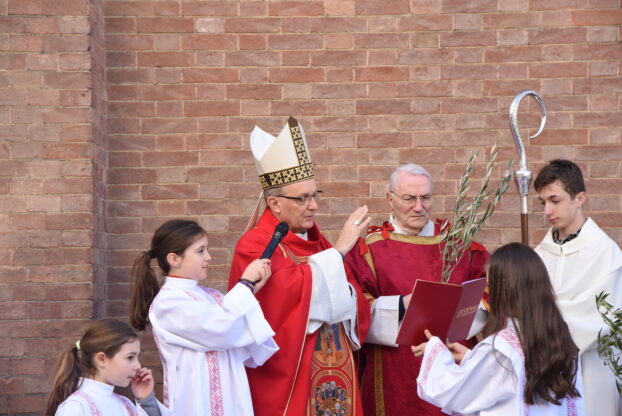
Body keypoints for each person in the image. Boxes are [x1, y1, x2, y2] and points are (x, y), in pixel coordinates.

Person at [229, 117, 371, 416]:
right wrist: (340, 252)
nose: (314, 205)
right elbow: (278, 299)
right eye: (302, 198)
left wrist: (337, 270)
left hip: (335, 367)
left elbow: (352, 299)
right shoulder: (255, 245)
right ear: (275, 204)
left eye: (315, 195)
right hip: (290, 378)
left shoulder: (319, 244)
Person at [344, 163, 489, 416]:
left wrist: (456, 318)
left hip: (452, 362)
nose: (419, 207)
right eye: (409, 198)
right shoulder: (369, 250)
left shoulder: (461, 246)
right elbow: (356, 307)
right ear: (390, 199)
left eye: (425, 198)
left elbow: (487, 292)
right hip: (394, 371)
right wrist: (401, 305)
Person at [413, 242, 585, 415]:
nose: (488, 292)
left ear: (504, 287)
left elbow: (454, 392)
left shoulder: (503, 349)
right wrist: (472, 357)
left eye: (489, 286)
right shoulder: (559, 334)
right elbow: (510, 379)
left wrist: (435, 350)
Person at [129, 219, 278, 416]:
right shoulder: (167, 303)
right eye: (200, 251)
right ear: (174, 259)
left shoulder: (213, 297)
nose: (208, 257)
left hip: (233, 400)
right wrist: (245, 283)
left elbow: (245, 345)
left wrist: (249, 291)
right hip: (196, 402)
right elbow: (221, 328)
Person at [533, 159, 622, 416]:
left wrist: (545, 326)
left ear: (580, 198)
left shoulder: (605, 254)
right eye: (543, 202)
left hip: (592, 368)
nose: (547, 210)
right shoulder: (541, 253)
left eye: (555, 200)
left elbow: (603, 319)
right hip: (548, 369)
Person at [45, 319, 170, 416]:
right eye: (130, 357)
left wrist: (146, 399)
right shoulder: (76, 407)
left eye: (137, 357)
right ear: (101, 359)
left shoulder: (125, 404)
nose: (138, 366)